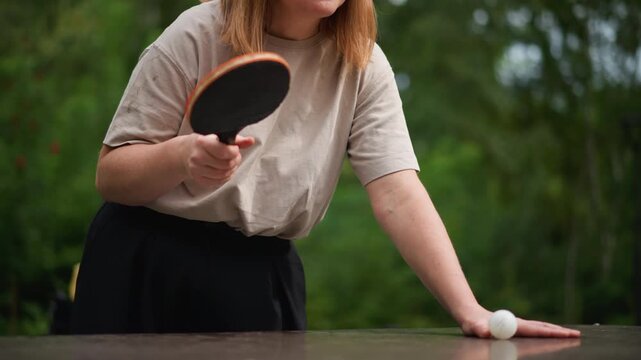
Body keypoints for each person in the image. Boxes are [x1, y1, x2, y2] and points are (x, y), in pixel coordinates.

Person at [71, 0, 580, 338]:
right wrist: (181, 157)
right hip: (144, 266)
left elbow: (398, 192)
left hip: (261, 278)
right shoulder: (196, 33)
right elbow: (111, 175)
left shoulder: (363, 64)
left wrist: (472, 311)